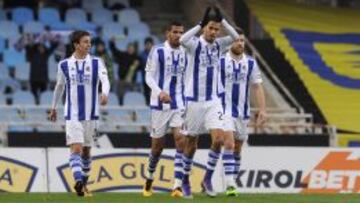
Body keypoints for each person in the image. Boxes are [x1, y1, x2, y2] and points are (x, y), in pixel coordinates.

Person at [179, 7, 239, 198]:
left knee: (219, 139)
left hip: (213, 100)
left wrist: (223, 21)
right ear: (205, 28)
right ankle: (185, 180)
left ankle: (207, 179)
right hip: (193, 101)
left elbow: (235, 36)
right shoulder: (194, 44)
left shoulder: (219, 45)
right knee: (191, 144)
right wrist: (199, 23)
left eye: (216, 29)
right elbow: (181, 40)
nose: (214, 32)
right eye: (211, 28)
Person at [49, 30, 110, 197]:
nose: (89, 44)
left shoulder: (98, 62)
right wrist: (53, 107)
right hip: (73, 114)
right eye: (85, 42)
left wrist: (105, 93)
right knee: (76, 149)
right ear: (76, 44)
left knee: (86, 152)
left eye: (90, 42)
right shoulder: (64, 65)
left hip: (92, 115)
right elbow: (59, 87)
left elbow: (105, 80)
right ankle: (78, 181)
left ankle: (83, 183)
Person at [142, 21, 187, 198]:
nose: (178, 35)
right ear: (168, 33)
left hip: (179, 104)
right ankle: (149, 178)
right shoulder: (157, 50)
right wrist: (159, 92)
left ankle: (177, 186)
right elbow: (148, 76)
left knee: (180, 138)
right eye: (175, 32)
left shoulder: (186, 51)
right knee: (157, 148)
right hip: (159, 106)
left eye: (181, 32)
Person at [219, 32, 266, 196]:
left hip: (242, 112)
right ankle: (230, 185)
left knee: (238, 149)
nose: (240, 43)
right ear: (229, 42)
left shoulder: (251, 63)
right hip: (224, 110)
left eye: (242, 41)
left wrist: (262, 109)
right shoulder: (221, 61)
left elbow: (257, 86)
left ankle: (231, 179)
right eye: (236, 40)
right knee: (230, 145)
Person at [109, 39, 140, 105]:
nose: (130, 49)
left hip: (132, 82)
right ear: (127, 48)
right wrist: (112, 43)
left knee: (133, 96)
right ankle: (120, 106)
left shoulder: (137, 58)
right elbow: (114, 51)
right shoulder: (122, 55)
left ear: (134, 49)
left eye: (132, 48)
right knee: (120, 96)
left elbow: (141, 67)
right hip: (122, 81)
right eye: (129, 48)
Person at [139, 37, 154, 105]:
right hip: (145, 78)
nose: (148, 45)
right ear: (145, 45)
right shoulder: (141, 55)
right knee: (147, 94)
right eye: (147, 44)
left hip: (155, 78)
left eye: (149, 44)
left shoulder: (156, 53)